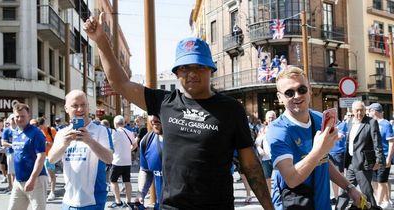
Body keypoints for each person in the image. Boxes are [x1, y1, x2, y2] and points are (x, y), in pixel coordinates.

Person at [84, 14, 274, 209]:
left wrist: (269, 208)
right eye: (184, 68)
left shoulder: (231, 109)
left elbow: (250, 166)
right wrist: (101, 41)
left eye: (199, 67)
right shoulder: (165, 102)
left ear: (211, 69)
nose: (191, 73)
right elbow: (120, 83)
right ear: (176, 72)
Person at [267, 67, 363, 210]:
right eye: (289, 92)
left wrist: (349, 188)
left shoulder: (319, 119)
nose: (297, 95)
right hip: (294, 205)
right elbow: (291, 179)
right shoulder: (278, 129)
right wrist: (319, 150)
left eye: (302, 89)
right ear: (280, 97)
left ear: (310, 90)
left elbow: (323, 162)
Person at [48, 90, 113, 210]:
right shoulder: (62, 133)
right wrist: (63, 144)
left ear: (88, 106)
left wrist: (90, 141)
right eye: (75, 106)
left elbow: (109, 159)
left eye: (83, 105)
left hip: (93, 200)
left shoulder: (100, 130)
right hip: (69, 200)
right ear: (66, 109)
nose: (80, 109)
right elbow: (51, 159)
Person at [7, 103, 47, 210]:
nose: (19, 119)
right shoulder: (15, 133)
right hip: (19, 181)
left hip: (36, 180)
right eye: (17, 116)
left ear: (29, 116)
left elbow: (41, 157)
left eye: (23, 116)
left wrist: (32, 179)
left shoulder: (36, 133)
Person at [345, 101, 384, 208]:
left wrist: (379, 160)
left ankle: (373, 208)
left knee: (366, 192)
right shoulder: (349, 123)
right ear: (352, 111)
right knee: (344, 190)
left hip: (363, 163)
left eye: (361, 110)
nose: (359, 113)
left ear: (365, 110)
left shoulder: (371, 122)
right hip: (351, 163)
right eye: (357, 110)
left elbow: (377, 142)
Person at [368, 103, 394, 208]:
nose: (368, 112)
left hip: (384, 156)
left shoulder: (386, 124)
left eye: (370, 110)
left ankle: (378, 204)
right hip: (374, 157)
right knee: (374, 181)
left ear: (375, 111)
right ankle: (384, 200)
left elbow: (391, 142)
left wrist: (389, 158)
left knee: (381, 181)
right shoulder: (370, 123)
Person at [108, 115, 137, 208]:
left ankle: (118, 201)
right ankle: (129, 201)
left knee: (113, 181)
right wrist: (129, 150)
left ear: (115, 123)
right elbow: (135, 144)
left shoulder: (113, 132)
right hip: (127, 161)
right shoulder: (130, 132)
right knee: (127, 181)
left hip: (116, 161)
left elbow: (109, 146)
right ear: (124, 123)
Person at [136, 115, 163, 209]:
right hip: (160, 205)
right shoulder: (147, 141)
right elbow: (146, 170)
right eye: (151, 114)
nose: (153, 119)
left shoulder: (187, 139)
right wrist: (141, 193)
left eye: (157, 113)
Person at [329, 112, 352, 205]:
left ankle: (342, 197)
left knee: (340, 176)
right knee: (332, 177)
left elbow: (341, 136)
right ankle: (335, 196)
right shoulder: (328, 126)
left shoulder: (342, 125)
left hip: (339, 153)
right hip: (330, 153)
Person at [255, 110, 276, 193]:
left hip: (278, 157)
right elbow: (257, 143)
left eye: (272, 117)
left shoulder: (280, 128)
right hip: (266, 158)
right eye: (269, 118)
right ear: (266, 119)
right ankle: (270, 198)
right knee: (267, 179)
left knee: (280, 178)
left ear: (276, 118)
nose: (271, 119)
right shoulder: (262, 130)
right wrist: (260, 149)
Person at [37, 117, 57, 201]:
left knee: (51, 175)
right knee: (41, 176)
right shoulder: (38, 132)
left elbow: (57, 144)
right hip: (40, 156)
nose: (42, 128)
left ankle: (52, 192)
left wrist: (48, 143)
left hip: (50, 156)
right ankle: (43, 193)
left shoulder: (51, 130)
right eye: (40, 126)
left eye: (42, 125)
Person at [1, 114, 17, 192]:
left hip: (21, 153)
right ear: (9, 120)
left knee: (20, 171)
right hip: (11, 153)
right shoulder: (7, 130)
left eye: (15, 118)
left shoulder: (19, 129)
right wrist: (12, 145)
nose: (14, 120)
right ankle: (14, 189)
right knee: (13, 173)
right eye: (12, 119)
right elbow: (3, 143)